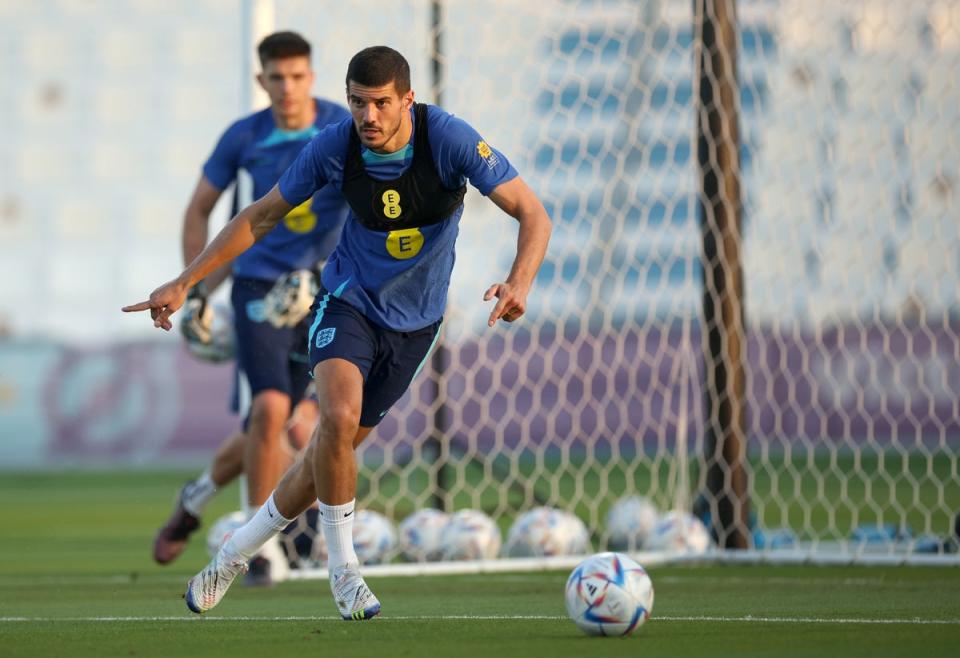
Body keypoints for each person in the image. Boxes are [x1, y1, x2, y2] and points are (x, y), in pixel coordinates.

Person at [123, 45, 552, 620]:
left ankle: (235, 552)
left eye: (379, 103)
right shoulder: (334, 145)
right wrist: (186, 281)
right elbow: (260, 215)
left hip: (417, 323)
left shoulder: (448, 139)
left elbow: (532, 211)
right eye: (357, 103)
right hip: (347, 302)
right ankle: (345, 573)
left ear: (408, 101)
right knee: (336, 419)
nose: (368, 116)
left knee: (328, 454)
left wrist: (518, 282)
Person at [150, 31, 349, 584]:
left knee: (301, 424)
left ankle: (198, 496)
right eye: (276, 78)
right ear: (262, 81)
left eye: (298, 76)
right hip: (258, 287)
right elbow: (199, 209)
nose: (287, 88)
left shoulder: (343, 127)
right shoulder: (244, 137)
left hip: (328, 292)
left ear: (312, 77)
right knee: (268, 412)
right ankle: (262, 550)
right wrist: (195, 287)